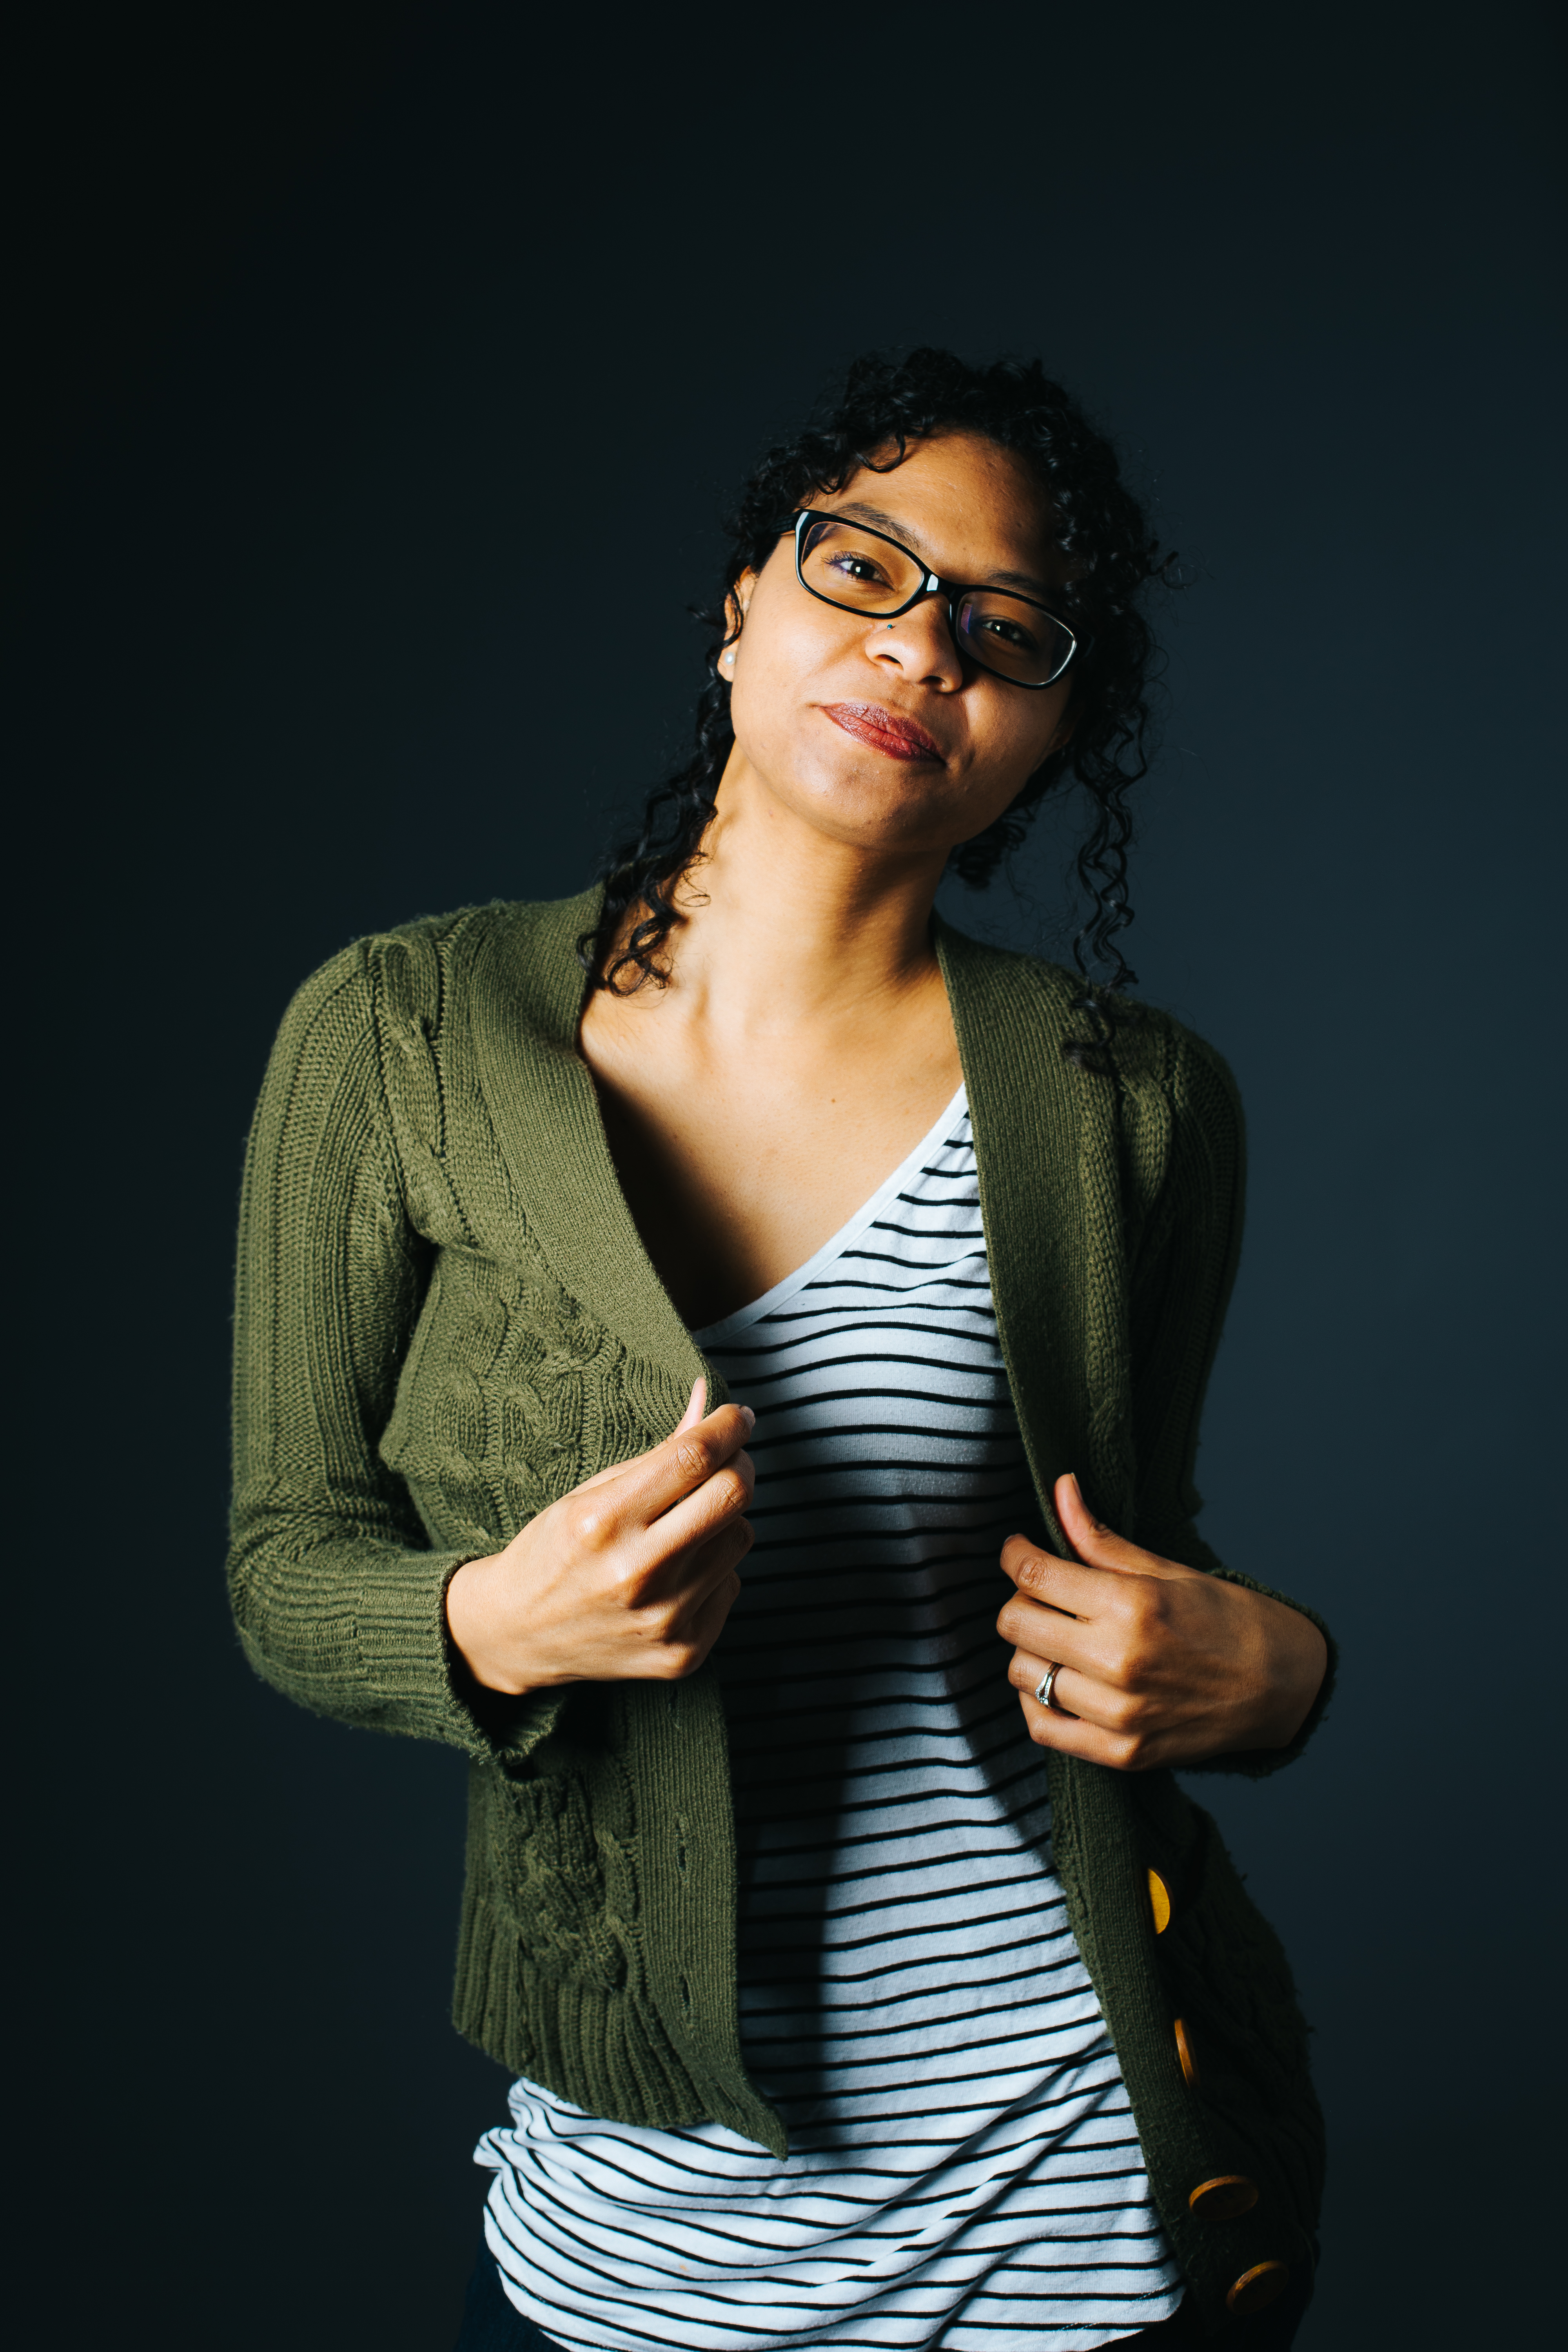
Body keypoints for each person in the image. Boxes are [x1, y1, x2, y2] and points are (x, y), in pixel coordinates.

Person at [228, 348, 1333, 2352]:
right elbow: (283, 1571)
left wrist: (1277, 1677)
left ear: (1047, 735)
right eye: (867, 568)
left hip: (1076, 2191)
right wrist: (485, 1624)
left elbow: (1146, 1595)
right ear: (743, 601)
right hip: (652, 2234)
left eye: (1007, 631)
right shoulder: (397, 1038)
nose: (925, 649)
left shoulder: (1133, 1107)